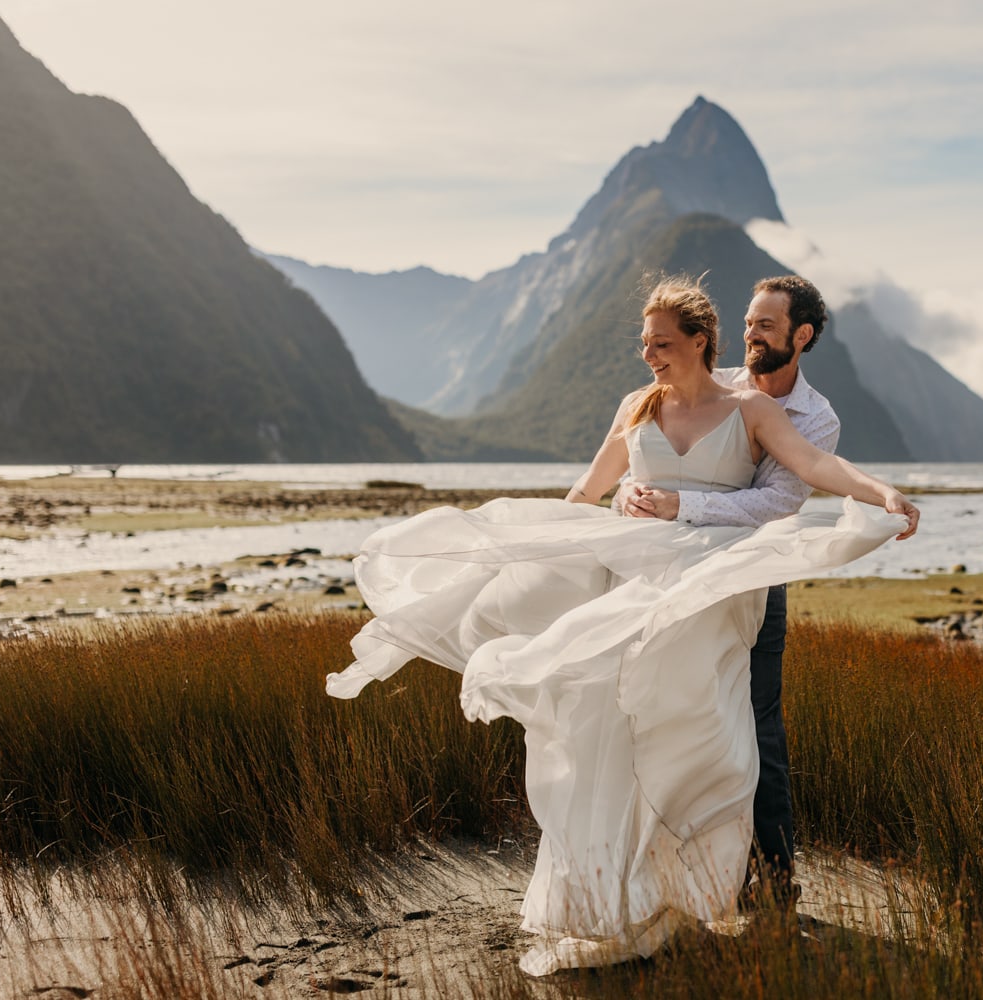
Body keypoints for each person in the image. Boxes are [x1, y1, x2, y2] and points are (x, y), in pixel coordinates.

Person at [326, 276, 918, 976]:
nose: (649, 354)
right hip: (633, 584)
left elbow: (802, 480)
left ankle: (750, 884)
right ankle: (624, 895)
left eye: (662, 343)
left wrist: (880, 491)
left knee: (727, 739)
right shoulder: (641, 404)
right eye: (644, 342)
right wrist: (544, 540)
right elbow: (586, 493)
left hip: (724, 588)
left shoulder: (767, 410)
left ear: (708, 341)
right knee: (615, 727)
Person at [611, 274, 836, 905]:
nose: (751, 334)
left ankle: (773, 878)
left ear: (801, 335)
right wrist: (632, 493)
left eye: (765, 325)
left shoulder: (814, 418)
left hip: (753, 582)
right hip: (668, 578)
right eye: (747, 323)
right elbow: (638, 454)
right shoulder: (715, 386)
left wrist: (683, 505)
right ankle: (686, 870)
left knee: (758, 727)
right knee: (673, 716)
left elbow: (778, 504)